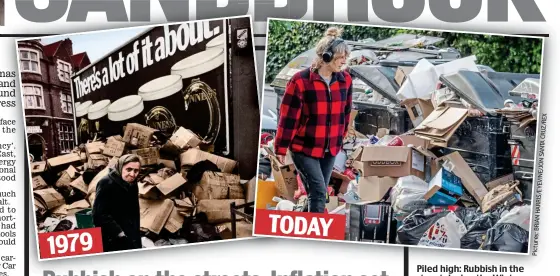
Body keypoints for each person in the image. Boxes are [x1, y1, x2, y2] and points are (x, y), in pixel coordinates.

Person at [274, 27, 353, 213]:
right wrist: (281, 147)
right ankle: (313, 238)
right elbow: (288, 117)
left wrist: (341, 136)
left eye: (345, 56)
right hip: (304, 148)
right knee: (319, 192)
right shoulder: (300, 81)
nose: (344, 61)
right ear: (326, 56)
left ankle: (300, 224)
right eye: (340, 56)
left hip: (330, 148)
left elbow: (346, 111)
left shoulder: (345, 80)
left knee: (316, 194)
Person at [93, 154, 143, 252]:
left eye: (136, 171)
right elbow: (98, 215)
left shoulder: (132, 183)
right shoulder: (106, 183)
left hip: (131, 234)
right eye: (128, 169)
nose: (132, 174)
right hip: (113, 238)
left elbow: (134, 210)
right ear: (120, 167)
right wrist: (119, 233)